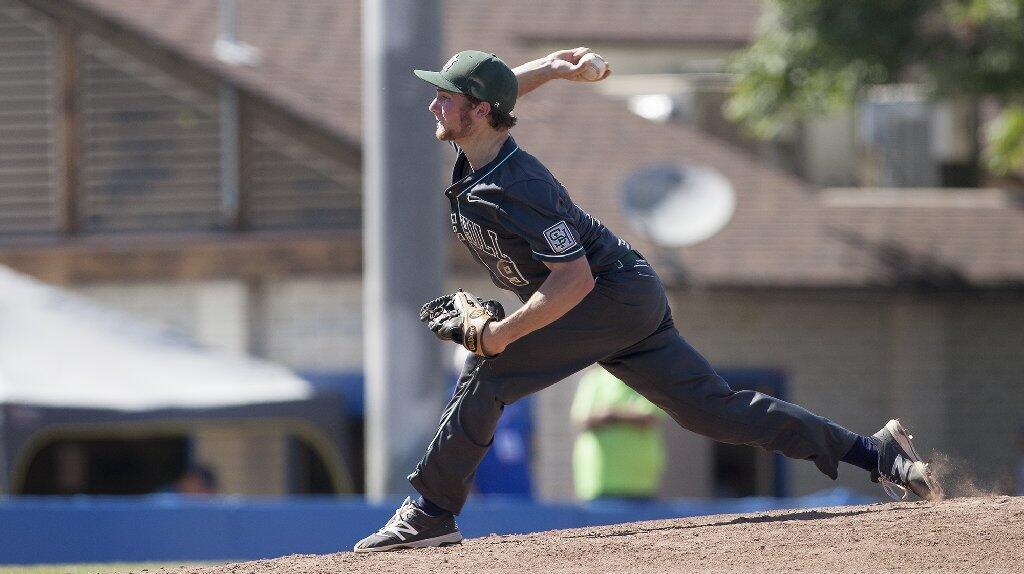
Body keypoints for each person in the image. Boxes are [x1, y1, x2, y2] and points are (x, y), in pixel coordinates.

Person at [353, 47, 942, 553]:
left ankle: (431, 512)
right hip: (624, 295)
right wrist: (552, 68)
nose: (435, 104)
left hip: (605, 295)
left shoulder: (517, 183)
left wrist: (504, 335)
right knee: (715, 410)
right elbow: (503, 89)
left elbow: (574, 279)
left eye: (447, 96)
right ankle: (877, 454)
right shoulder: (484, 146)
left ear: (480, 110)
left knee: (490, 372)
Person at [571, 366, 666, 501]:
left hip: (640, 482)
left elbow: (649, 417)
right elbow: (582, 418)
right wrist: (628, 414)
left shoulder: (649, 379)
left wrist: (611, 415)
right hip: (599, 480)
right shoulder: (594, 379)